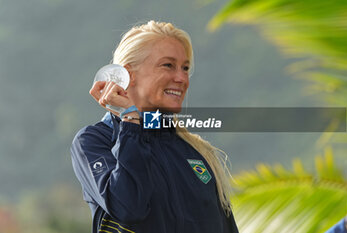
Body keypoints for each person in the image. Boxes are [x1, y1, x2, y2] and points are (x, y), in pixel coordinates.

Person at [70, 20, 239, 233]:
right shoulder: (94, 141)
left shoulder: (196, 151)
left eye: (185, 68)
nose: (182, 78)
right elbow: (129, 207)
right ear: (127, 75)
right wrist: (131, 119)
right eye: (168, 65)